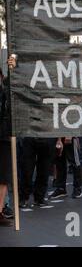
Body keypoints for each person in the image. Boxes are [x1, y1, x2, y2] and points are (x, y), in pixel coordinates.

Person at [0, 63, 13, 226]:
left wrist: (13, 65)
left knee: (3, 177)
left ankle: (0, 210)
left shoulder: (6, 94)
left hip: (3, 137)